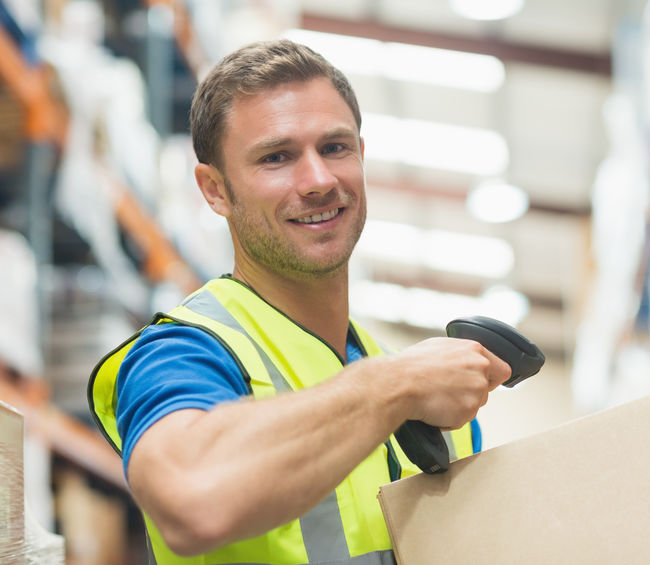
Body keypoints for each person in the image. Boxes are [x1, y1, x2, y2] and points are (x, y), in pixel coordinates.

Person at [88, 39, 511, 564]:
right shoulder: (184, 351)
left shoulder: (437, 398)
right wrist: (393, 386)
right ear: (215, 190)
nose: (318, 180)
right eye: (276, 157)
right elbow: (190, 497)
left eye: (334, 147)